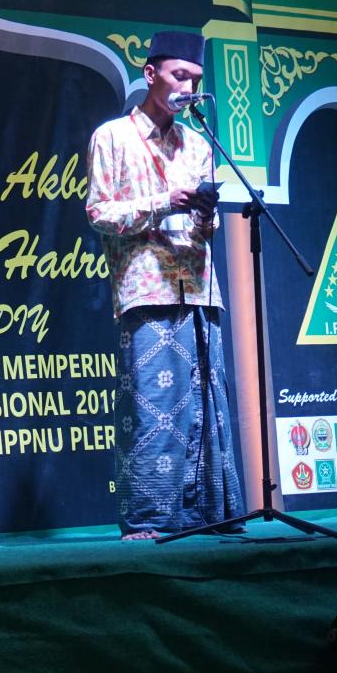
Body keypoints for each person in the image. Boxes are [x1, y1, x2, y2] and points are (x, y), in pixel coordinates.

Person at [85, 30, 243, 540]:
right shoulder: (112, 137)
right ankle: (151, 520)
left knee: (206, 403)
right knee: (153, 407)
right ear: (151, 74)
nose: (187, 88)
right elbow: (99, 212)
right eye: (179, 76)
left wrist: (204, 214)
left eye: (195, 79)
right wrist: (162, 202)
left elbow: (205, 229)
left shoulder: (198, 143)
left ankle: (210, 515)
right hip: (146, 287)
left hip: (198, 286)